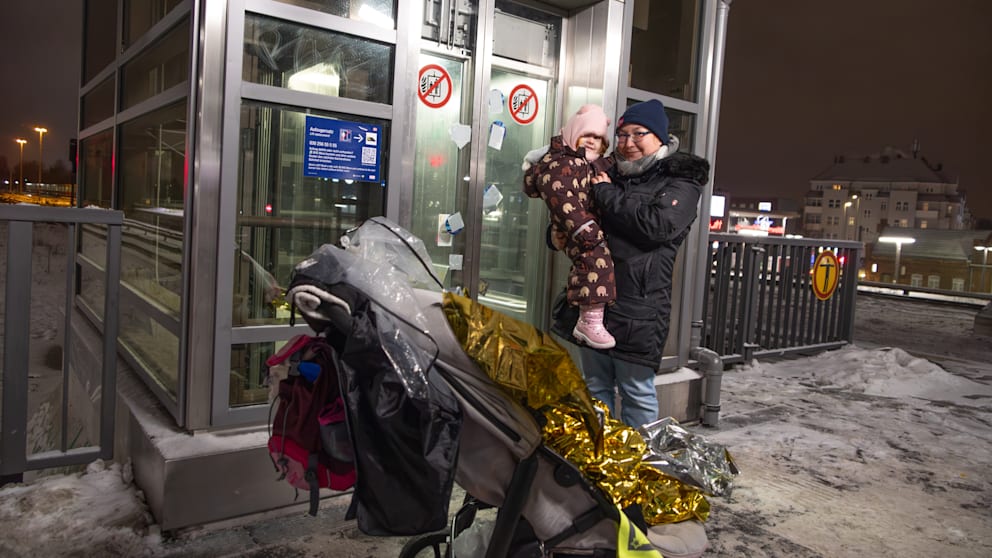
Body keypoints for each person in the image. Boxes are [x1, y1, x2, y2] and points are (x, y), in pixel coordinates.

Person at [554, 99, 710, 428]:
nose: (628, 143)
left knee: (636, 392)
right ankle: (600, 459)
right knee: (594, 388)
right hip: (594, 303)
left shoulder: (680, 182)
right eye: (622, 135)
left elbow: (657, 226)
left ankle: (639, 467)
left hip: (639, 309)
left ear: (661, 137)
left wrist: (606, 194)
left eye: (638, 134)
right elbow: (576, 218)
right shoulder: (608, 174)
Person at [523, 104, 618, 349]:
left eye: (598, 138)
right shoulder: (562, 165)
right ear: (573, 134)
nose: (592, 141)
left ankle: (591, 319)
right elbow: (563, 198)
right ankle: (589, 320)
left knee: (593, 264)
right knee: (595, 262)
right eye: (586, 135)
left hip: (584, 228)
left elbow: (608, 165)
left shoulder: (585, 164)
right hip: (580, 229)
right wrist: (583, 229)